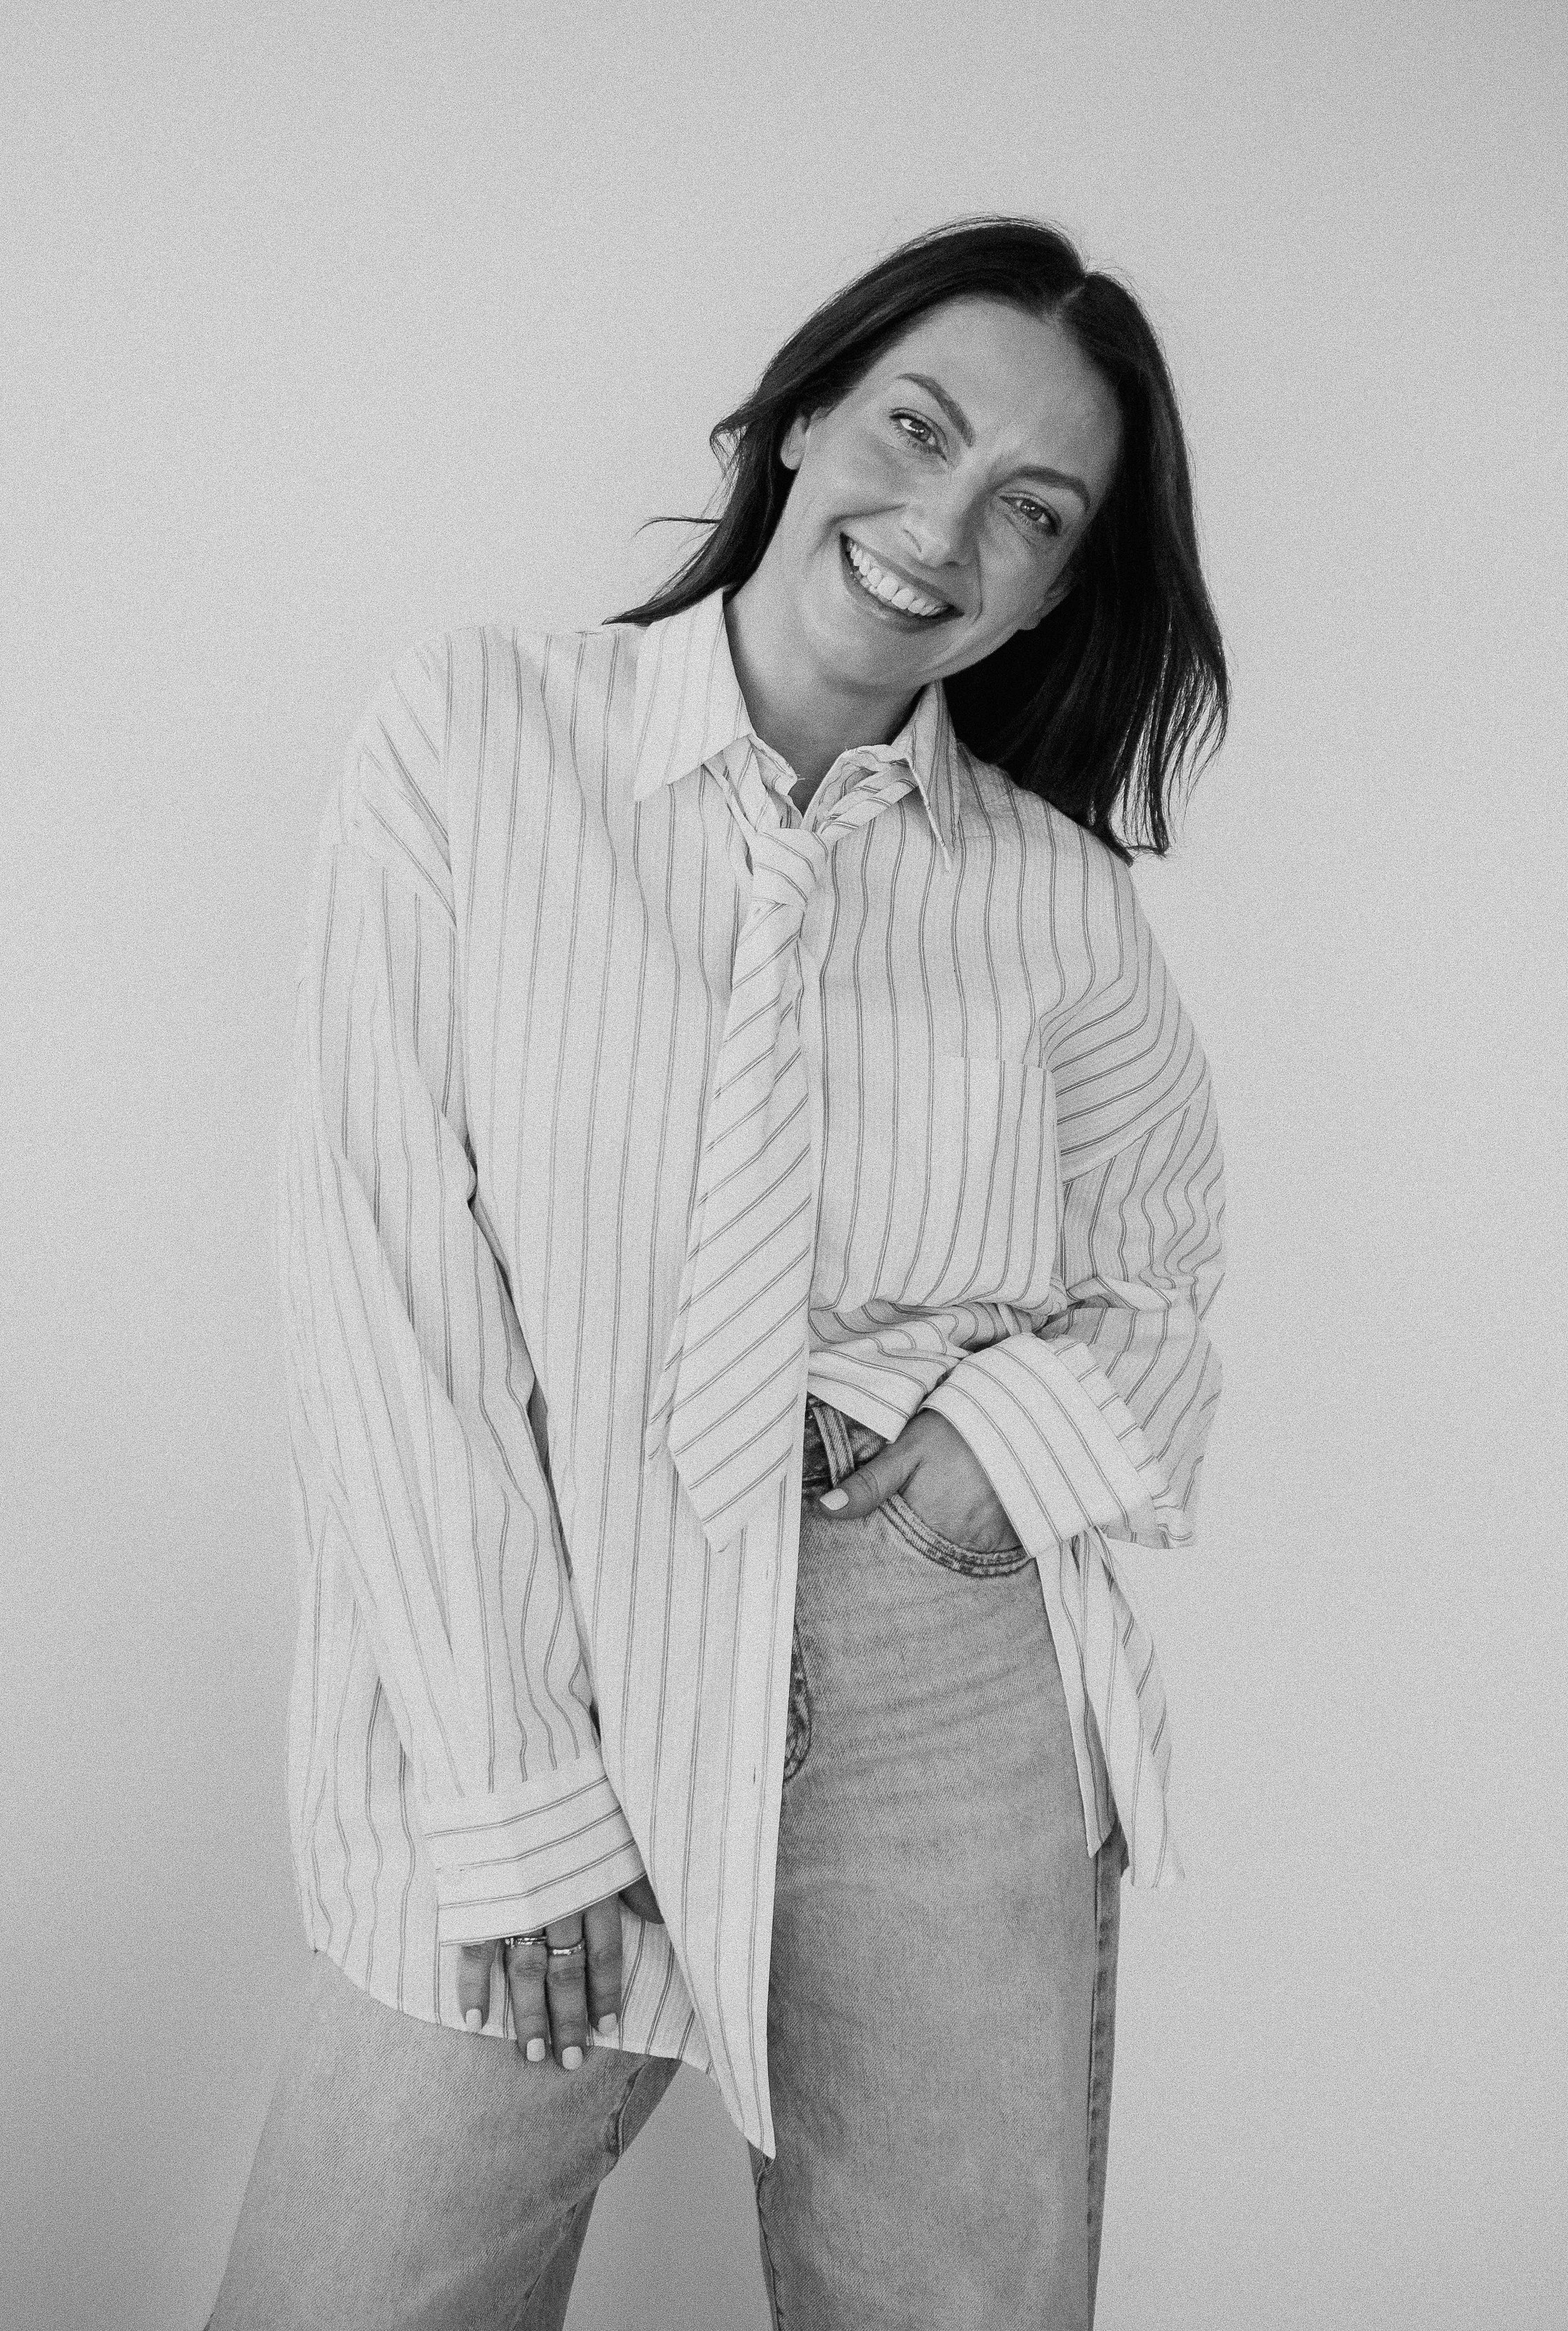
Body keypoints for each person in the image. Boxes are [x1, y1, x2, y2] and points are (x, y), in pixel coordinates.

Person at [211, 213, 1230, 2331]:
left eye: (1028, 512)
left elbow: (1156, 1293)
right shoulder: (477, 740)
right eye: (912, 430)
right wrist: (506, 1786)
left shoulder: (1052, 905)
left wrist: (976, 1465)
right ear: (795, 422)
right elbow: (387, 1290)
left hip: (935, 1673)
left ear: (1061, 580)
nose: (941, 527)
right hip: (536, 1634)